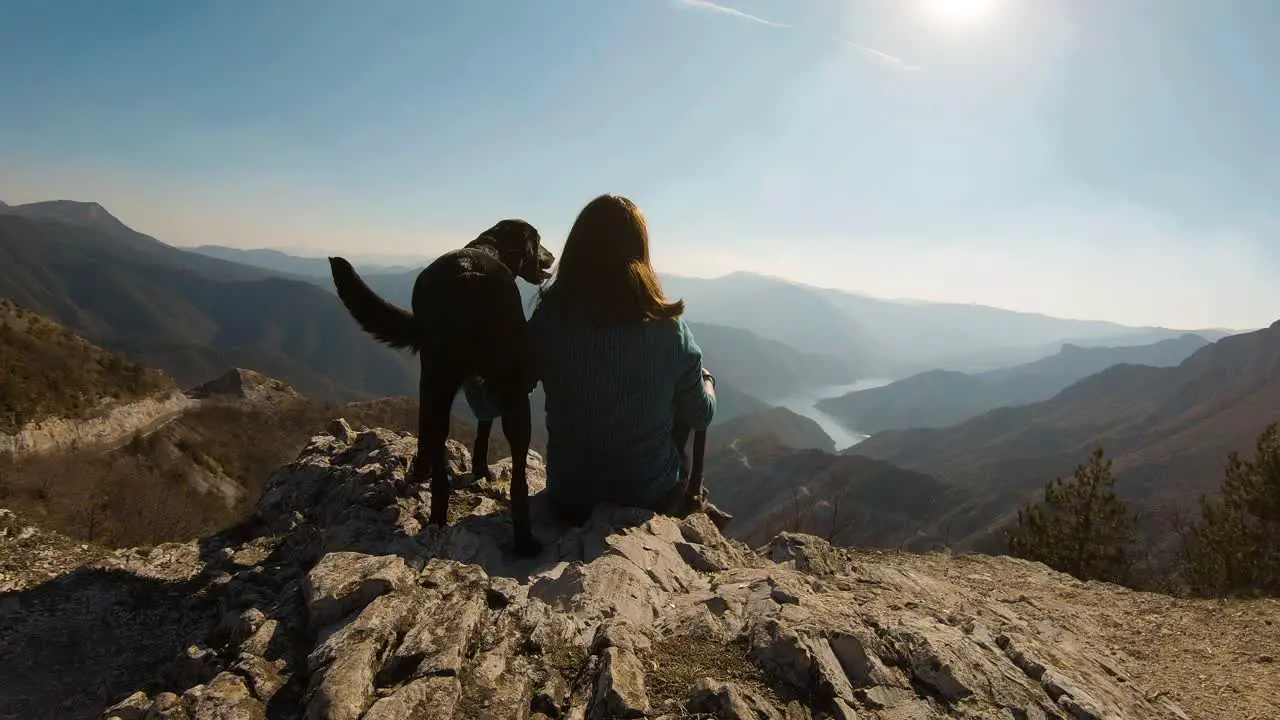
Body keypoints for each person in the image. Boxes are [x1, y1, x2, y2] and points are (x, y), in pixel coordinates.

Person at [519, 193, 716, 524]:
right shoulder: (668, 328)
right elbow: (700, 415)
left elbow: (507, 390)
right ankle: (691, 498)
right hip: (651, 497)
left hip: (569, 499)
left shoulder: (550, 318)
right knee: (690, 386)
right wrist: (708, 383)